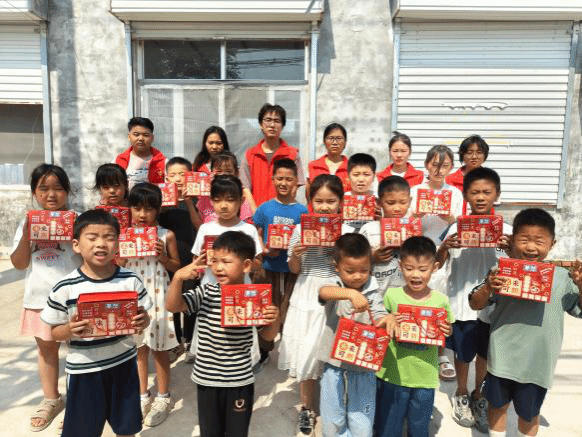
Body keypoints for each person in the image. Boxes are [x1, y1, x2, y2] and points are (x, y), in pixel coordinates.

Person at [469, 208, 582, 437]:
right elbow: (475, 303)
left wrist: (580, 285)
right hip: (502, 358)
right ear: (512, 240)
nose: (531, 247)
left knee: (529, 414)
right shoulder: (500, 272)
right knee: (496, 406)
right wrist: (489, 286)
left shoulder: (562, 278)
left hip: (538, 364)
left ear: (552, 244)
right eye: (524, 240)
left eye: (539, 241)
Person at [40, 209, 152, 437]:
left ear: (118, 244)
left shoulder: (130, 280)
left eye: (109, 237)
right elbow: (54, 332)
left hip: (124, 365)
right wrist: (69, 329)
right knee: (83, 431)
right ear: (76, 245)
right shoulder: (65, 287)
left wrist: (143, 320)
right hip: (84, 371)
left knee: (127, 428)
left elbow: (145, 317)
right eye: (92, 238)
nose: (101, 244)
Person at [166, 231, 280, 437]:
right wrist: (178, 278)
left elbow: (267, 337)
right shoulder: (206, 292)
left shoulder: (254, 297)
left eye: (226, 261)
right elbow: (173, 306)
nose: (218, 267)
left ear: (246, 265)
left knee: (237, 432)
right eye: (215, 261)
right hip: (207, 379)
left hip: (240, 380)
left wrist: (274, 319)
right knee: (210, 432)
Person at [436, 167, 511, 432]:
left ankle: (479, 395)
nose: (480, 197)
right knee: (462, 353)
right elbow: (437, 263)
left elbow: (518, 265)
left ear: (497, 194)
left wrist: (511, 248)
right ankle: (461, 393)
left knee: (484, 354)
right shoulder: (455, 228)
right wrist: (445, 247)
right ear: (466, 195)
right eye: (475, 192)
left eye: (486, 192)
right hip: (460, 304)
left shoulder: (507, 231)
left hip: (493, 308)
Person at [278, 174, 354, 435]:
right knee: (307, 352)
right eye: (318, 201)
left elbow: (353, 269)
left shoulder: (347, 232)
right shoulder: (300, 229)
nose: (324, 207)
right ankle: (308, 408)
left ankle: (337, 406)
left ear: (341, 202)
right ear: (310, 202)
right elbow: (294, 269)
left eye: (330, 201)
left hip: (338, 292)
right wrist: (296, 254)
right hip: (307, 294)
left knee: (337, 353)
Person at [10, 164, 82, 432]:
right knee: (47, 350)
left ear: (67, 191)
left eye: (58, 188)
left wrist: (75, 234)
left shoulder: (79, 219)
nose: (51, 194)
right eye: (43, 188)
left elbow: (93, 255)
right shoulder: (27, 222)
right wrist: (28, 234)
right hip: (40, 298)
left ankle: (79, 402)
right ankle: (51, 399)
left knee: (80, 351)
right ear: (34, 193)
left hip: (75, 298)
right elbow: (19, 264)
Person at [375, 236, 454, 437]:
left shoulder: (441, 300)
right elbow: (378, 326)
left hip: (425, 376)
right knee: (388, 425)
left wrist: (447, 330)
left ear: (434, 268)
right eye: (409, 268)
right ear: (400, 266)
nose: (416, 275)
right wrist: (389, 319)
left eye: (423, 269)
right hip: (393, 373)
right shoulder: (392, 296)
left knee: (419, 426)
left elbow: (448, 328)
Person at [317, 233, 391, 437]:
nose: (358, 276)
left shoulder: (373, 288)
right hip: (334, 363)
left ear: (371, 267)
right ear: (337, 266)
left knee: (362, 417)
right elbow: (323, 292)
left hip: (363, 365)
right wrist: (351, 294)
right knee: (332, 415)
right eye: (350, 271)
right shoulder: (335, 284)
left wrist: (389, 319)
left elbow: (379, 315)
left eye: (364, 270)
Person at [124, 183, 181, 427]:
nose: (142, 214)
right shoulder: (124, 235)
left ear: (158, 210)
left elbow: (177, 267)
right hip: (132, 294)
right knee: (138, 347)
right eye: (137, 208)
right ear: (130, 208)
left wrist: (163, 257)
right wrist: (123, 253)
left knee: (160, 347)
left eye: (148, 209)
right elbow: (118, 264)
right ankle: (142, 395)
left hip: (158, 294)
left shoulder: (166, 235)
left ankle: (163, 396)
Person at [252, 158, 308, 361]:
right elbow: (255, 231)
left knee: (290, 308)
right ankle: (263, 350)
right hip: (269, 267)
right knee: (267, 308)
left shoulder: (302, 211)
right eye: (280, 178)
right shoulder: (265, 208)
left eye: (289, 179)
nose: (284, 183)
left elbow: (306, 237)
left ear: (296, 182)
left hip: (292, 269)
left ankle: (288, 350)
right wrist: (264, 249)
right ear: (273, 179)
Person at [191, 175, 263, 286]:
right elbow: (195, 263)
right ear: (211, 201)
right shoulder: (205, 229)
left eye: (230, 200)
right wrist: (202, 258)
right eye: (217, 200)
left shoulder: (249, 229)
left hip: (239, 290)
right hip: (210, 288)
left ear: (241, 201)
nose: (223, 206)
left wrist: (238, 262)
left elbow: (258, 262)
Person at [160, 157, 199, 363]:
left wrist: (190, 202)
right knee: (173, 297)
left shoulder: (197, 200)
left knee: (190, 299)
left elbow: (199, 227)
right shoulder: (162, 203)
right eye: (173, 175)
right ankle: (175, 341)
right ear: (166, 178)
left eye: (182, 174)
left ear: (190, 177)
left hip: (190, 257)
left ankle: (191, 339)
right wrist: (164, 204)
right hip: (170, 258)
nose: (177, 179)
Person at [240, 103, 306, 209]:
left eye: (277, 121)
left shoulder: (292, 154)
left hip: (282, 213)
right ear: (261, 124)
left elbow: (295, 186)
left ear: (282, 126)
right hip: (255, 212)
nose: (272, 125)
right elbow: (245, 187)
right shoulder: (250, 154)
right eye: (268, 120)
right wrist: (256, 212)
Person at [359, 176, 411, 294]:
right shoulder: (368, 229)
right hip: (376, 293)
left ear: (410, 201)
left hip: (404, 294)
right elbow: (356, 258)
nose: (397, 208)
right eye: (390, 203)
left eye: (403, 202)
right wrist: (372, 256)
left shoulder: (414, 228)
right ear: (379, 202)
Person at [410, 145, 464, 245]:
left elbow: (459, 225)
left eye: (445, 166)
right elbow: (403, 221)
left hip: (444, 247)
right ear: (426, 165)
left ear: (451, 167)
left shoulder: (456, 193)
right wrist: (414, 216)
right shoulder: (414, 191)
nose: (439, 170)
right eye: (435, 165)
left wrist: (450, 218)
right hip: (418, 246)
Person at [194, 152, 254, 227]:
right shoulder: (204, 195)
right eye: (219, 171)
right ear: (211, 172)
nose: (223, 174)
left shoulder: (240, 194)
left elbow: (246, 224)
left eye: (228, 171)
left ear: (236, 173)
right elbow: (200, 222)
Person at [115, 117, 166, 188]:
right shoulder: (118, 161)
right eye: (136, 135)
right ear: (129, 137)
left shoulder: (163, 162)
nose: (141, 139)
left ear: (152, 138)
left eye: (145, 135)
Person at [307, 122, 350, 201]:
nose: (335, 142)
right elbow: (309, 196)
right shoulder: (314, 166)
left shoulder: (351, 168)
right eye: (330, 138)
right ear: (324, 142)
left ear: (345, 142)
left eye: (339, 138)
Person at [344, 153, 379, 232]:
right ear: (348, 176)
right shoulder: (342, 199)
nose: (361, 179)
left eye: (366, 175)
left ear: (374, 176)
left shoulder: (378, 200)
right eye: (356, 175)